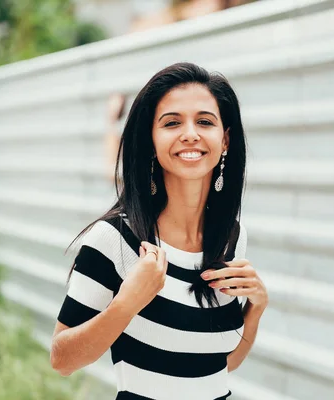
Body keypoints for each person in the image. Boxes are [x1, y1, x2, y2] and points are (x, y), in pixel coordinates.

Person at [50, 62, 269, 400]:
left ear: (225, 140)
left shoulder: (231, 237)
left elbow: (221, 366)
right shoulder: (115, 239)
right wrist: (126, 304)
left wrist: (255, 309)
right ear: (151, 141)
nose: (191, 133)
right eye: (172, 123)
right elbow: (61, 359)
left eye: (205, 121)